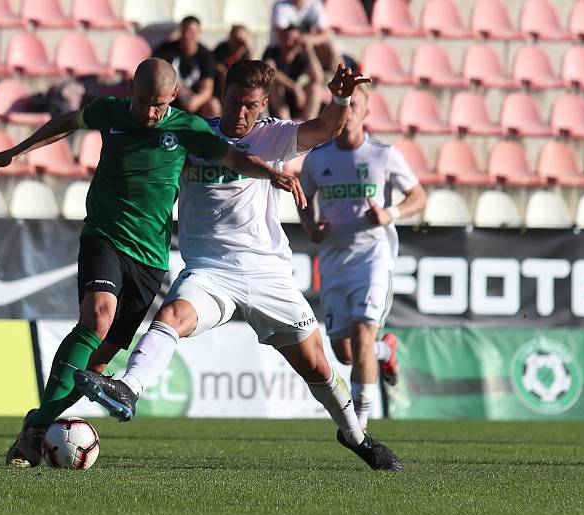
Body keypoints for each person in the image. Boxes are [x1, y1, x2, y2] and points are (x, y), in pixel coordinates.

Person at [74, 60, 402, 471]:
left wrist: (339, 97)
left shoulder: (275, 136)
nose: (240, 113)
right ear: (223, 96)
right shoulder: (194, 134)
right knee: (172, 314)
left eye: (250, 106)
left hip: (268, 272)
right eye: (234, 102)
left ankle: (355, 435)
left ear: (264, 104)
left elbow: (327, 128)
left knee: (318, 366)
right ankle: (128, 388)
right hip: (210, 270)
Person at [0, 58, 306, 469]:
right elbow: (66, 122)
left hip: (150, 258)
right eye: (142, 102)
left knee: (98, 362)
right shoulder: (111, 112)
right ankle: (33, 436)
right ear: (131, 90)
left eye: (157, 104)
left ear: (172, 97)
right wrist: (15, 152)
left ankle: (38, 423)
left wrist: (271, 175)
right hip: (105, 236)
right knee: (97, 317)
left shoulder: (188, 128)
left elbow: (233, 158)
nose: (149, 113)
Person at [298, 85, 427, 431]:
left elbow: (418, 196)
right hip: (335, 258)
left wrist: (391, 213)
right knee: (346, 353)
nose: (350, 109)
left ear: (366, 113)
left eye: (357, 104)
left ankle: (361, 425)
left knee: (362, 336)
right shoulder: (318, 158)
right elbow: (304, 199)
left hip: (374, 256)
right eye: (345, 104)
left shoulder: (383, 155)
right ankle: (388, 352)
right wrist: (312, 228)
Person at [153, 16, 222, 118]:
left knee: (213, 104)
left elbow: (207, 87)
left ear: (198, 33)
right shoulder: (166, 51)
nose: (187, 35)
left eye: (191, 32)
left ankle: (208, 132)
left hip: (196, 103)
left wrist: (196, 101)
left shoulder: (206, 55)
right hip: (170, 99)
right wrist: (179, 90)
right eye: (184, 31)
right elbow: (156, 74)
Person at [263, 25, 323, 120]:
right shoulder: (272, 52)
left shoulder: (301, 57)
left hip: (297, 100)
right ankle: (285, 124)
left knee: (315, 88)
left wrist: (309, 50)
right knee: (275, 86)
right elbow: (269, 71)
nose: (290, 43)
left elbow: (318, 78)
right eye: (287, 38)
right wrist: (294, 87)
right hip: (278, 101)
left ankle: (307, 124)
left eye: (294, 40)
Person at [270, 0, 340, 73]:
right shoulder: (281, 6)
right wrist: (302, 40)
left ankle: (340, 78)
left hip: (303, 50)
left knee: (329, 47)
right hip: (282, 52)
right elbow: (283, 37)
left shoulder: (315, 4)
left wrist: (307, 40)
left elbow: (325, 34)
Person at [213, 24, 253, 98]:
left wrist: (249, 48)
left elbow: (255, 70)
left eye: (241, 41)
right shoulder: (221, 49)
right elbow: (215, 65)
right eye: (235, 39)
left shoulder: (247, 54)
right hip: (221, 91)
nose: (238, 43)